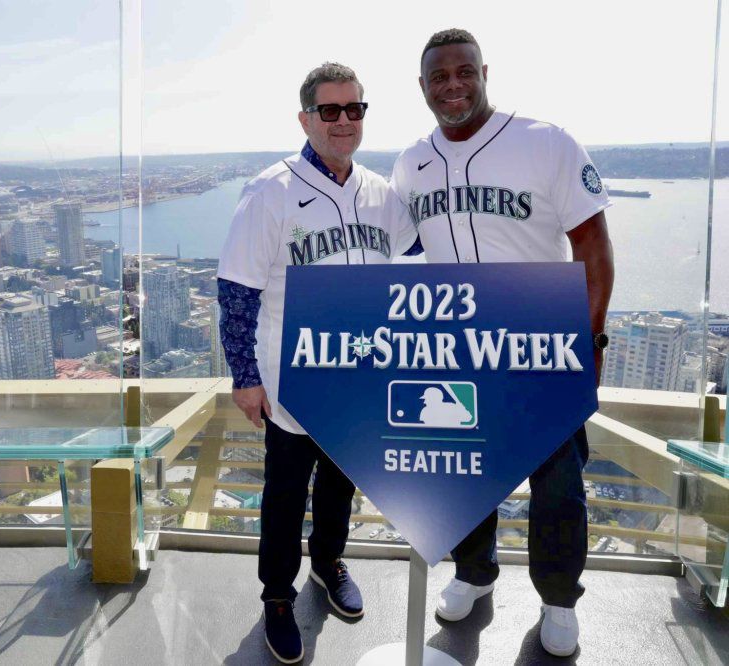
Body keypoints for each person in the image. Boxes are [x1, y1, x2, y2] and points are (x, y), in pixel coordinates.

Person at [390, 28, 615, 658]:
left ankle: (559, 598)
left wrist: (589, 342)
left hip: (540, 347)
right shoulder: (412, 162)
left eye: (464, 72)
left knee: (559, 486)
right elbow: (389, 247)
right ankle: (474, 573)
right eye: (440, 76)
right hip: (455, 349)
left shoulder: (546, 142)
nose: (453, 85)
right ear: (423, 87)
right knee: (465, 476)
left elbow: (593, 249)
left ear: (485, 72)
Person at [217, 62, 420, 664]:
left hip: (360, 373)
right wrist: (245, 376)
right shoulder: (270, 190)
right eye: (329, 110)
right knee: (284, 492)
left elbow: (423, 250)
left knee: (341, 482)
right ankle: (277, 597)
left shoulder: (381, 192)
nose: (343, 121)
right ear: (305, 118)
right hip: (291, 378)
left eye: (354, 109)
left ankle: (329, 561)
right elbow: (236, 291)